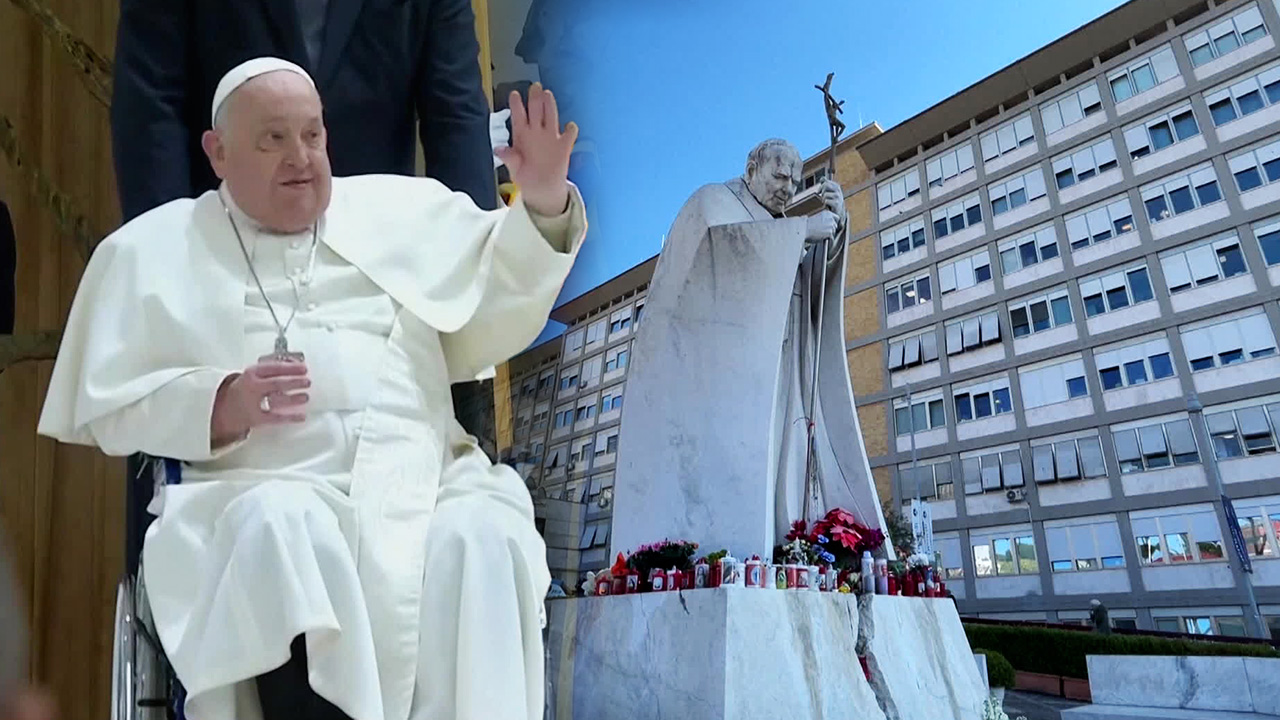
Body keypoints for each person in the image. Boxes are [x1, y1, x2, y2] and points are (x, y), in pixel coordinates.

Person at [38, 57, 586, 720]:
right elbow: (113, 404)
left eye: (313, 135)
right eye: (273, 138)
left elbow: (497, 307)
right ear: (218, 151)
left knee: (483, 535)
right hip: (253, 488)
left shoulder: (400, 213)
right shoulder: (153, 253)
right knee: (287, 532)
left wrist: (544, 202)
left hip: (423, 480)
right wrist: (224, 401)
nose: (300, 157)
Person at [609, 138, 890, 559]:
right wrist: (798, 233)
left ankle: (791, 543)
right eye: (779, 176)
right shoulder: (713, 202)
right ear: (752, 166)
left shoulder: (776, 223)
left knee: (787, 460)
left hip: (782, 362)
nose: (787, 189)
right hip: (726, 379)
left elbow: (806, 290)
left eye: (795, 182)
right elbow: (713, 257)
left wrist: (833, 228)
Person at [110, 0, 501, 223]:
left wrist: (470, 258)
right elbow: (151, 107)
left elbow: (455, 114)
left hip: (376, 250)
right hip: (224, 245)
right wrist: (164, 250)